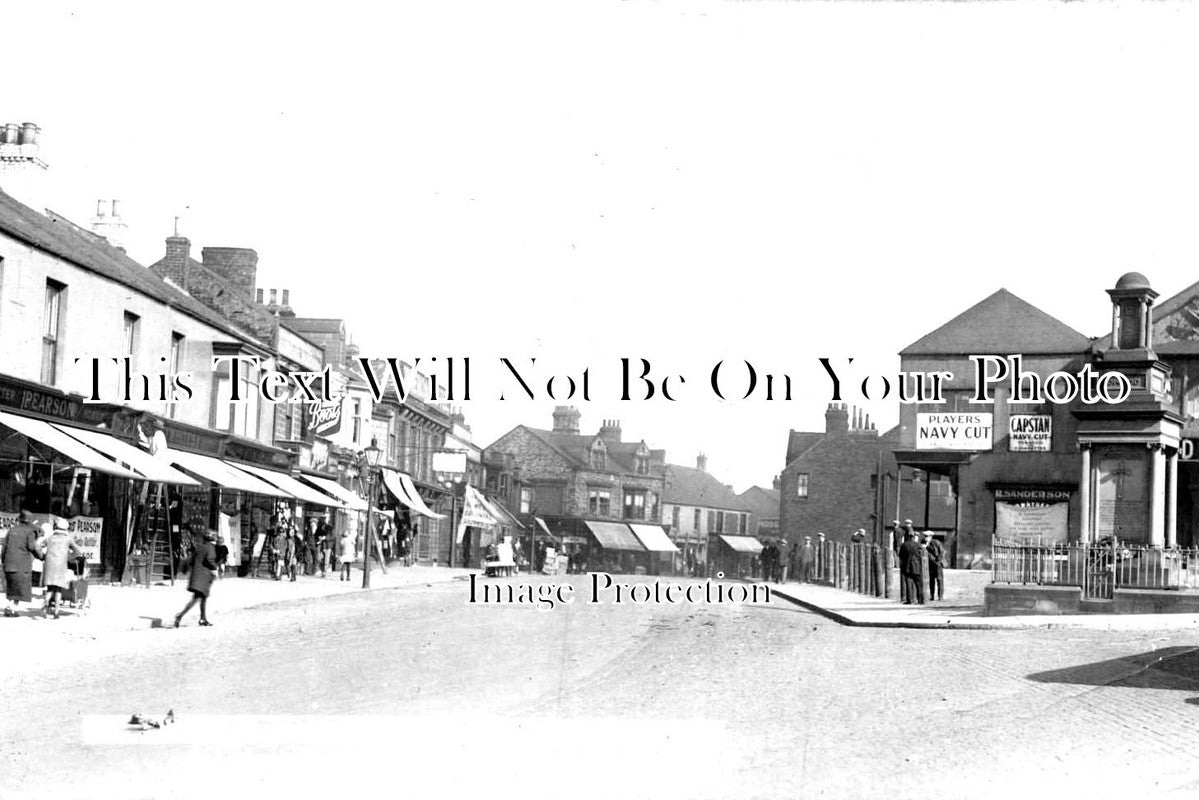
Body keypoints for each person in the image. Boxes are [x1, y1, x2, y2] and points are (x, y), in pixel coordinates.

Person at [2, 510, 43, 617]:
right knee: (19, 587)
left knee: (12, 586)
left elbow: (4, 548)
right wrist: (41, 556)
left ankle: (10, 607)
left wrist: (3, 561)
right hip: (21, 564)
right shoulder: (29, 531)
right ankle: (12, 608)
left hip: (8, 563)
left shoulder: (12, 530)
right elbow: (32, 547)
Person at [174, 530, 218, 627]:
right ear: (212, 539)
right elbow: (210, 560)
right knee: (196, 598)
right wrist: (215, 569)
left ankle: (203, 619)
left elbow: (192, 560)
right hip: (204, 576)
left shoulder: (200, 547)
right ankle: (180, 615)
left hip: (196, 575)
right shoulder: (210, 548)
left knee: (203, 597)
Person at [40, 517, 82, 619]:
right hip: (61, 565)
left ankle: (45, 607)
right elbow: (78, 551)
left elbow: (39, 546)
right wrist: (68, 557)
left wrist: (43, 556)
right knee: (58, 589)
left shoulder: (50, 538)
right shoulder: (68, 539)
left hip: (49, 564)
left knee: (50, 588)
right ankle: (56, 612)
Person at [898, 531, 926, 605]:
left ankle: (910, 599)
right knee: (919, 584)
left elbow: (900, 556)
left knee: (909, 583)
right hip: (916, 566)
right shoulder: (918, 545)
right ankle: (920, 600)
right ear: (914, 537)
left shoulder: (904, 545)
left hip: (907, 566)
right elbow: (922, 555)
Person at [925, 532, 946, 601]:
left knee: (939, 580)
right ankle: (932, 596)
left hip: (937, 564)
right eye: (925, 536)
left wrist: (938, 560)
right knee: (931, 581)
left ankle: (940, 596)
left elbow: (942, 551)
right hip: (930, 565)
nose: (926, 537)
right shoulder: (924, 543)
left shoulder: (936, 542)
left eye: (927, 536)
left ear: (931, 536)